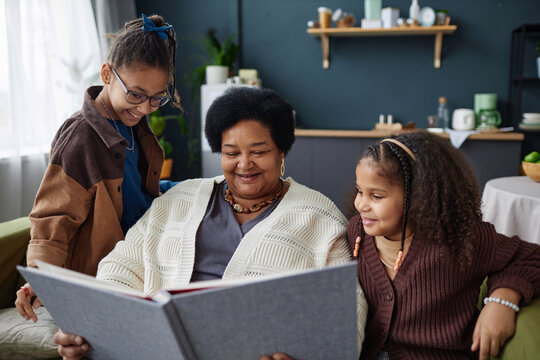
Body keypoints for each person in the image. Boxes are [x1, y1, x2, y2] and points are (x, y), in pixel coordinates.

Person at [53, 86, 368, 359]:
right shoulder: (180, 199)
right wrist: (90, 326)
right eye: (231, 153)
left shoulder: (319, 217)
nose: (244, 164)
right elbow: (122, 267)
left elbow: (346, 308)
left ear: (281, 152)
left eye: (258, 151)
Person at [11, 13, 179, 332]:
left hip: (142, 256)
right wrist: (42, 280)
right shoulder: (82, 137)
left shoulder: (134, 126)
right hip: (103, 275)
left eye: (157, 99)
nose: (144, 108)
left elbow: (139, 191)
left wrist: (186, 190)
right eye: (136, 94)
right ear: (107, 74)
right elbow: (52, 218)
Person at [348, 132, 540, 360]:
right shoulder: (357, 231)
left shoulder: (459, 239)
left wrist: (503, 299)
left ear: (418, 196)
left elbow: (531, 258)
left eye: (377, 196)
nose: (361, 204)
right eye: (360, 191)